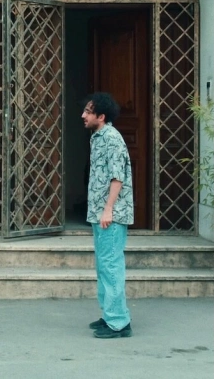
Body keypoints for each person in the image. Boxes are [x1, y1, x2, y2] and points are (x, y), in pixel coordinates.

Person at [81, 92, 134, 339]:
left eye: (88, 112)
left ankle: (119, 323)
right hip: (99, 212)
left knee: (111, 266)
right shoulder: (98, 137)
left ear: (101, 116)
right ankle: (110, 314)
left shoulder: (111, 139)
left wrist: (109, 209)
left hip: (110, 214)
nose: (83, 115)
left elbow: (117, 177)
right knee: (104, 265)